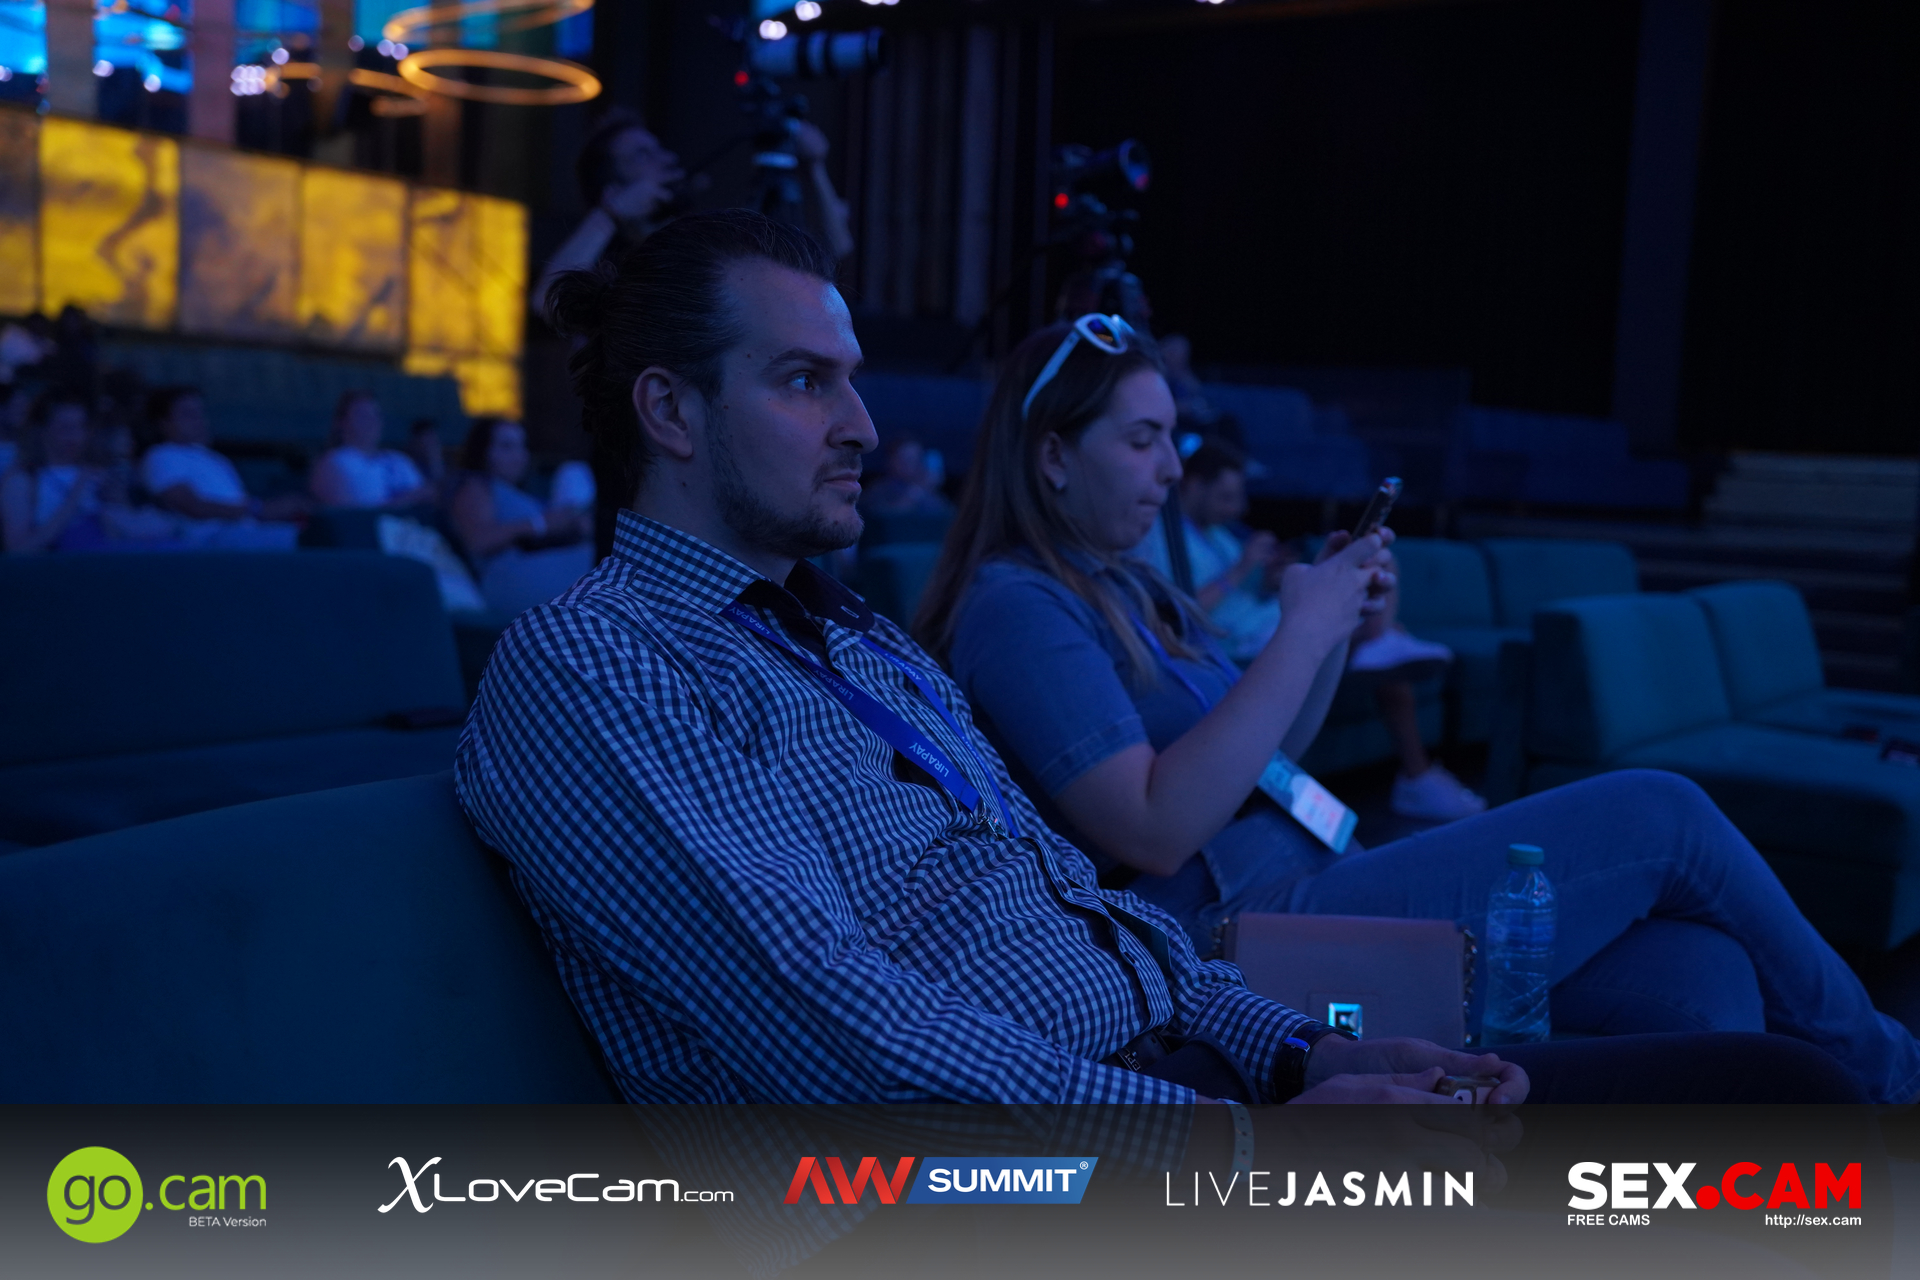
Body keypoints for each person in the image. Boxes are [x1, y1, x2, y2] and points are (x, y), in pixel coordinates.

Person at [453, 209, 1874, 1119]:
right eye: (804, 379)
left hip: (1180, 1073)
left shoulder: (861, 644)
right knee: (1768, 1097)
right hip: (1033, 1178)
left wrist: (1304, 1053)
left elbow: (1093, 907)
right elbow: (837, 1037)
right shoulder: (596, 665)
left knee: (1742, 1060)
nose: (865, 427)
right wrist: (1242, 1155)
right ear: (671, 412)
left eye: (855, 378)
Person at [910, 315, 1920, 1102]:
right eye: (1143, 440)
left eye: (1172, 438)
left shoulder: (1131, 586)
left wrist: (1330, 634)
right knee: (1662, 812)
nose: (1174, 468)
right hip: (1231, 944)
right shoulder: (1015, 605)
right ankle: (1892, 1080)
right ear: (1052, 456)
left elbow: (1273, 757)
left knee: (1703, 969)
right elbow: (1151, 825)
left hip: (1320, 876)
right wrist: (1300, 632)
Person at [1135, 436, 1479, 821]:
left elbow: (1242, 596)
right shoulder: (1161, 537)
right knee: (1380, 644)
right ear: (1193, 484)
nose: (1237, 508)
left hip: (1260, 623)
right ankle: (1415, 771)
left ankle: (1380, 649)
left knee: (1379, 593)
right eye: (1225, 497)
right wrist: (1242, 568)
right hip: (1232, 643)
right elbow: (1177, 613)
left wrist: (1269, 579)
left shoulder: (1218, 534)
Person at [448, 416, 593, 617]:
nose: (519, 456)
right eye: (507, 446)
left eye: (522, 446)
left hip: (539, 566)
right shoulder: (475, 484)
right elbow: (478, 541)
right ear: (483, 451)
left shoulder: (519, 494)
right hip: (506, 579)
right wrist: (541, 523)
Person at [140, 386, 305, 547]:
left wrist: (284, 509)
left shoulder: (215, 459)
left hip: (246, 533)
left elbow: (241, 507)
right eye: (188, 414)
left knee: (313, 531)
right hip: (211, 540)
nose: (199, 420)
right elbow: (192, 506)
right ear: (163, 423)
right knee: (308, 540)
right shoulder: (161, 455)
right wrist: (258, 509)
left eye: (200, 412)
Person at [1, 393, 101, 553]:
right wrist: (74, 497)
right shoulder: (21, 480)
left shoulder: (93, 473)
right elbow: (18, 552)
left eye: (80, 427)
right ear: (42, 430)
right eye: (65, 428)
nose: (75, 437)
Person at [308, 391, 434, 509]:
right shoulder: (333, 463)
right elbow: (349, 517)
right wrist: (411, 497)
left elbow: (430, 499)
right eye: (363, 416)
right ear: (342, 422)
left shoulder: (399, 459)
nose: (372, 421)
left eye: (376, 415)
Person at [860, 436, 953, 518]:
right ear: (891, 461)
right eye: (907, 459)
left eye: (917, 458)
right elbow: (887, 518)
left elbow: (947, 515)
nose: (913, 464)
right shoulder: (877, 492)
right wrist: (915, 494)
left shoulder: (930, 493)